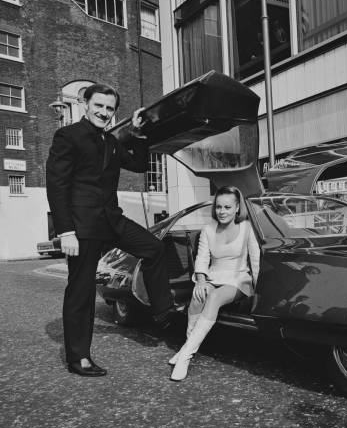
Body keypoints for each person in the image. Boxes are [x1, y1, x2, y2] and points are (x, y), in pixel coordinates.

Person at [46, 83, 175, 377]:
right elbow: (57, 185)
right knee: (81, 290)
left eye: (110, 108)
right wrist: (65, 231)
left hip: (112, 220)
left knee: (154, 248)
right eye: (99, 106)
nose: (104, 112)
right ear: (85, 104)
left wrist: (139, 133)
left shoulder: (113, 141)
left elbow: (141, 164)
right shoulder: (68, 136)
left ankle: (162, 310)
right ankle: (78, 357)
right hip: (82, 226)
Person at [170, 186, 260, 381]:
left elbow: (255, 261)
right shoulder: (208, 229)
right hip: (214, 276)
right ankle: (187, 347)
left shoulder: (247, 228)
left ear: (237, 208)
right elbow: (202, 260)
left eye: (227, 207)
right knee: (197, 297)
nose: (222, 211)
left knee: (215, 297)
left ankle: (185, 356)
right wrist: (200, 282)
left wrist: (260, 291)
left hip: (239, 280)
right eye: (218, 207)